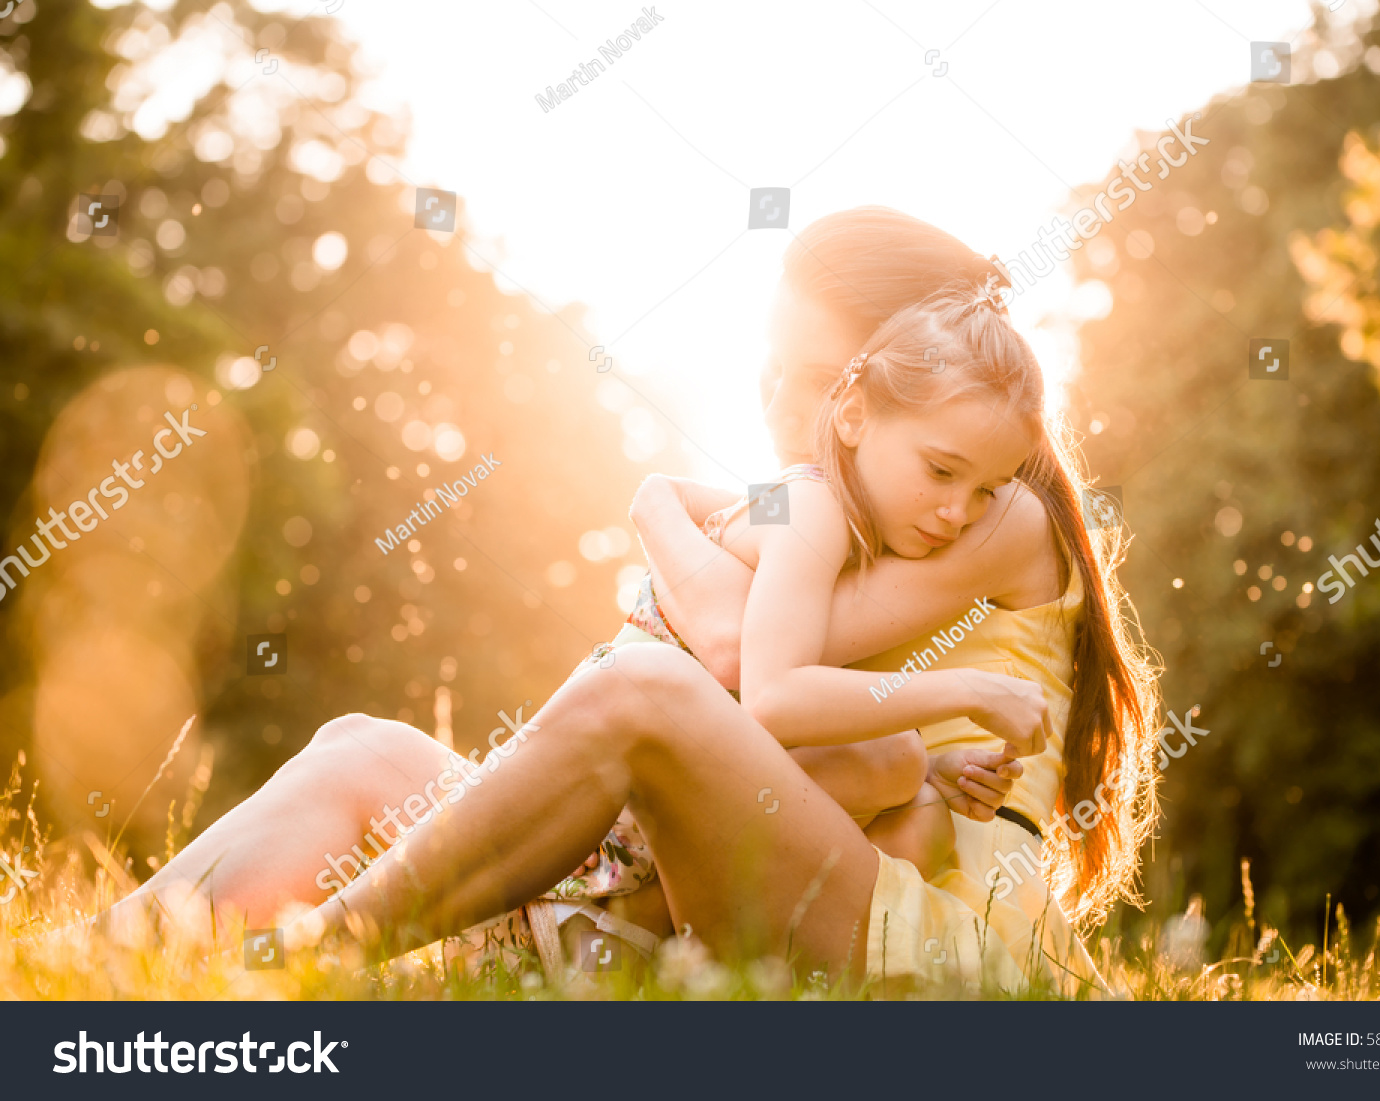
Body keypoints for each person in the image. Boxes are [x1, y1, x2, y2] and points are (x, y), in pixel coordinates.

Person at [103, 208, 1158, 993]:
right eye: (774, 367)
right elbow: (724, 568)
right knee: (364, 750)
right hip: (769, 897)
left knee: (643, 691)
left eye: (818, 371)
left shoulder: (993, 517)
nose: (781, 403)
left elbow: (740, 660)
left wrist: (659, 519)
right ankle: (97, 962)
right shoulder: (840, 501)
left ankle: (317, 957)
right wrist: (660, 505)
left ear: (894, 379)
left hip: (929, 948)